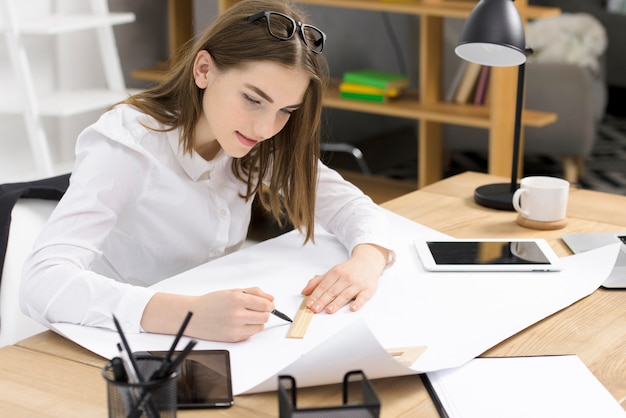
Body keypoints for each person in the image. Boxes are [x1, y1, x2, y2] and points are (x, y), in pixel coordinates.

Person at [20, 0, 394, 343]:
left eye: (286, 111)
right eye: (252, 99)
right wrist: (190, 314)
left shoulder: (256, 140)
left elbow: (350, 206)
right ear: (204, 70)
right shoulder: (126, 145)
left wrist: (365, 263)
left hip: (207, 332)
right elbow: (41, 283)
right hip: (116, 339)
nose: (266, 127)